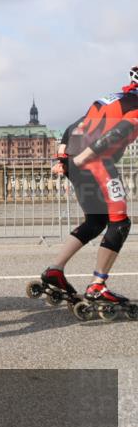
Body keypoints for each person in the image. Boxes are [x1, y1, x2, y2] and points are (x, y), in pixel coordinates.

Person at [38, 64, 138, 316]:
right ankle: (97, 286)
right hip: (95, 160)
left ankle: (55, 270)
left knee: (95, 220)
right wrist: (88, 156)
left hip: (74, 159)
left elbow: (74, 125)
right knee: (120, 222)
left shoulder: (113, 98)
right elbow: (121, 131)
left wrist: (63, 158)